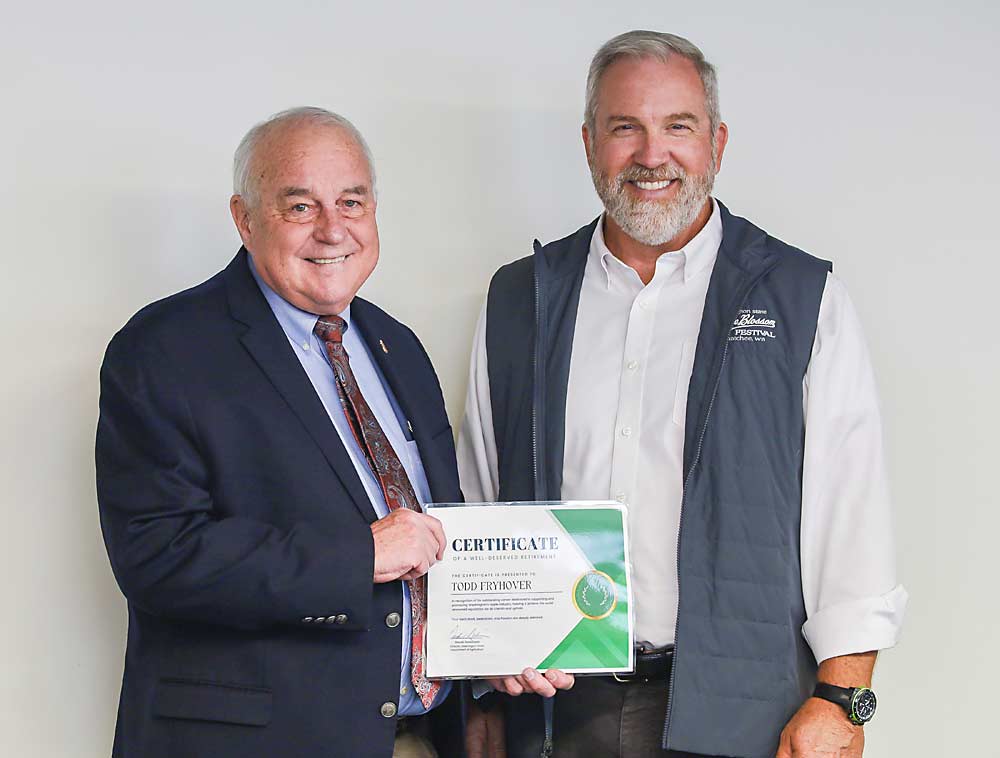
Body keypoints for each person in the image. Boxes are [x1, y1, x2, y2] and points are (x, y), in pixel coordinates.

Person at [458, 31, 907, 758]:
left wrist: (840, 699)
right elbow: (479, 500)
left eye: (678, 127)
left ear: (717, 142)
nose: (651, 155)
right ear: (588, 142)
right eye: (624, 127)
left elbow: (850, 509)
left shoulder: (800, 297)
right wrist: (477, 682)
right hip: (558, 711)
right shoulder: (521, 298)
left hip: (746, 709)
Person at [96, 107, 465, 758]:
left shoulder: (397, 346)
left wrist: (501, 648)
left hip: (410, 738)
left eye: (351, 201)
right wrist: (359, 555)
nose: (332, 230)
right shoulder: (164, 349)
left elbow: (439, 538)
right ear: (244, 218)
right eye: (300, 206)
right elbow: (158, 555)